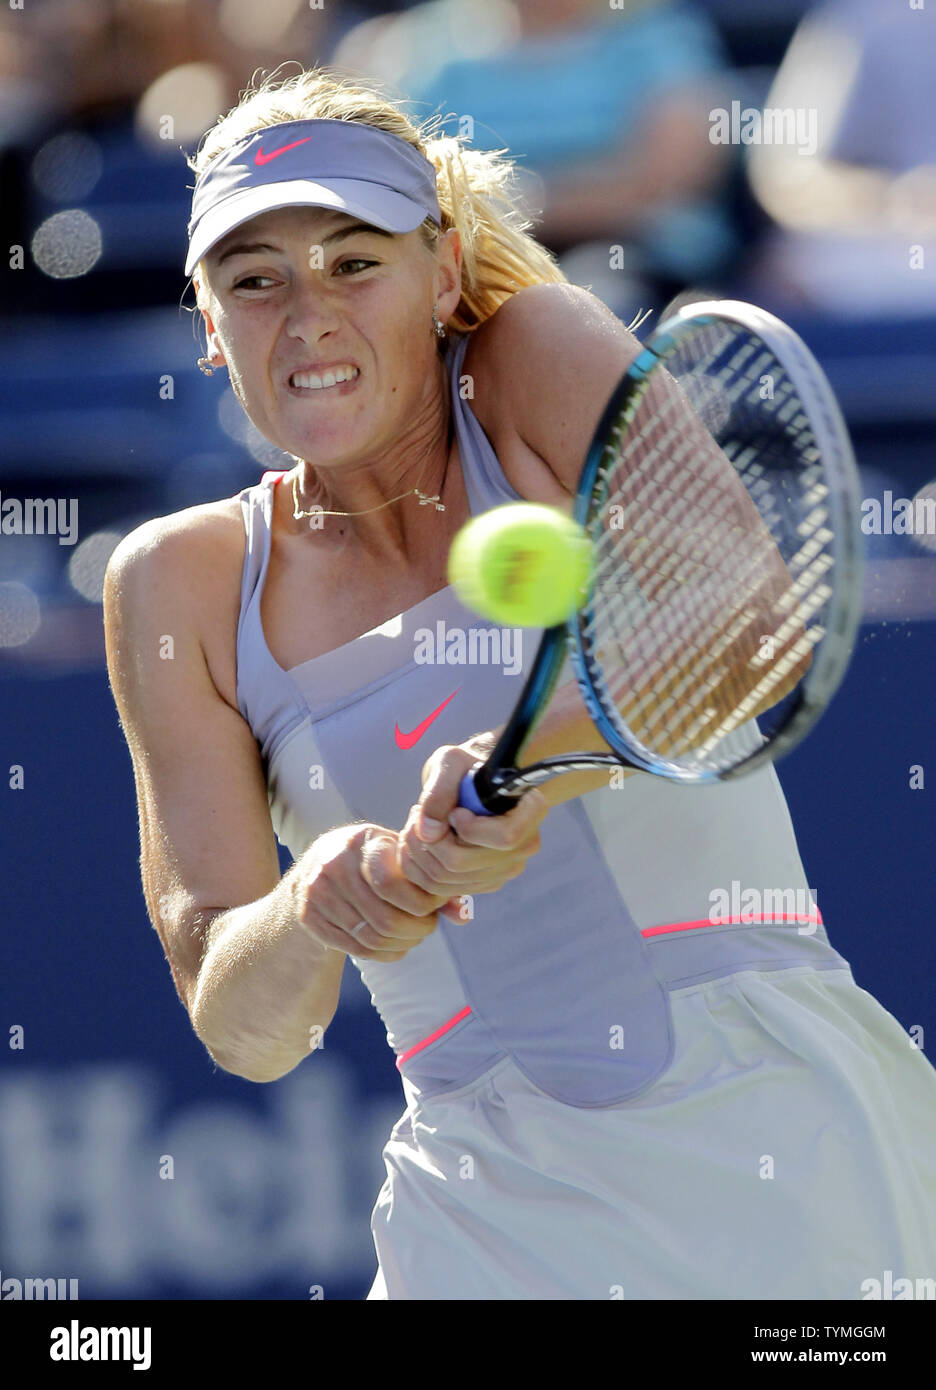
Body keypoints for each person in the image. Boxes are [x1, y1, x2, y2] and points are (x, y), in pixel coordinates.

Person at [103, 64, 936, 1300]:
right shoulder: (174, 582)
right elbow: (243, 1023)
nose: (307, 314)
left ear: (443, 275)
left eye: (353, 261)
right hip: (478, 1213)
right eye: (256, 280)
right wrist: (324, 900)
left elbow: (760, 620)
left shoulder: (534, 356)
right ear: (212, 330)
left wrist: (529, 762)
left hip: (784, 1146)